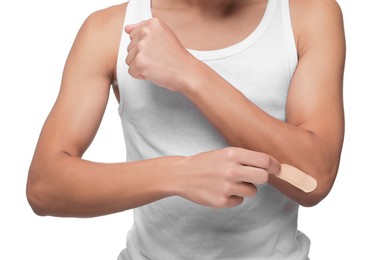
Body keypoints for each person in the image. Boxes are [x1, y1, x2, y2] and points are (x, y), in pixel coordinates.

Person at [26, 0, 345, 259]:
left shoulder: (308, 15)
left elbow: (313, 180)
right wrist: (182, 174)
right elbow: (44, 186)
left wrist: (189, 73)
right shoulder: (108, 29)